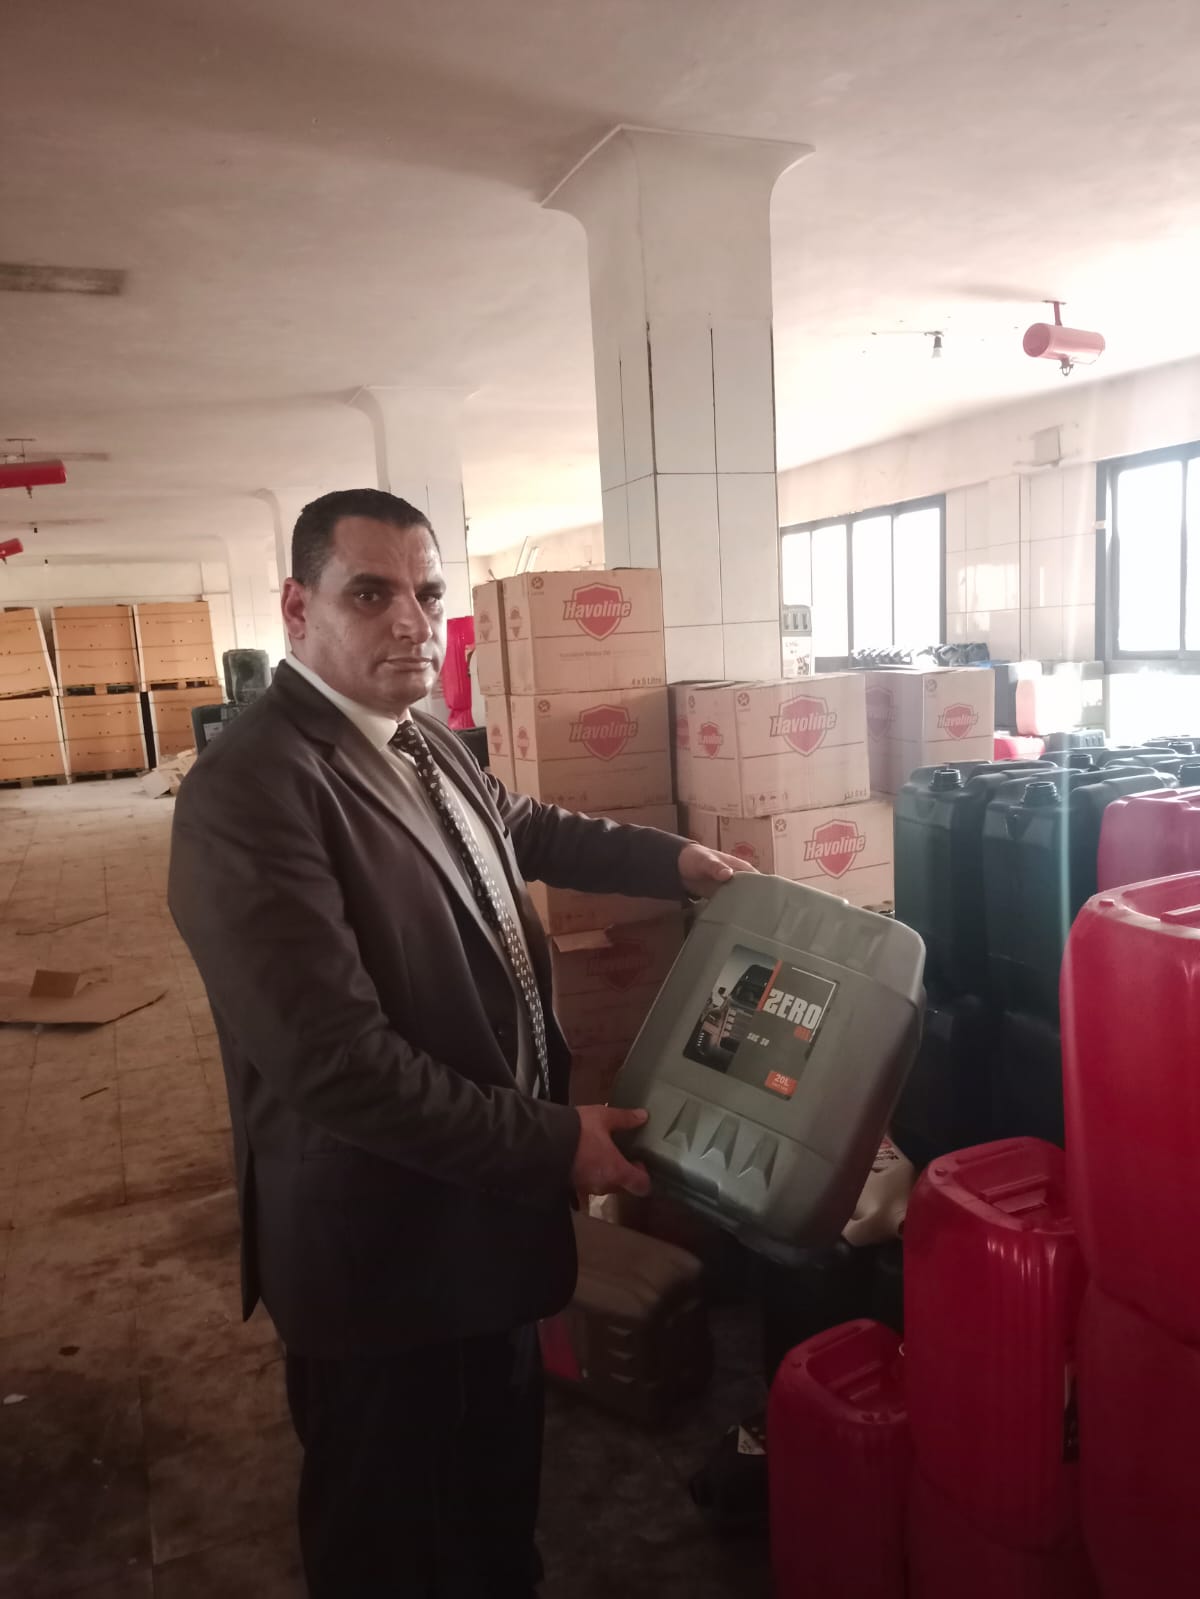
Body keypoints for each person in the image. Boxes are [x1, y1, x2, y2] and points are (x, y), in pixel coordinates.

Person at [168, 487, 753, 1598]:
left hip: (479, 1220)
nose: (411, 621)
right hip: (383, 1262)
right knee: (392, 1541)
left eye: (428, 593)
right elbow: (339, 1067)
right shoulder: (252, 792)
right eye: (371, 594)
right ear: (297, 608)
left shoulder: (416, 734)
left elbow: (516, 825)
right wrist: (555, 1143)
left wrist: (673, 861)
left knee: (489, 1513)